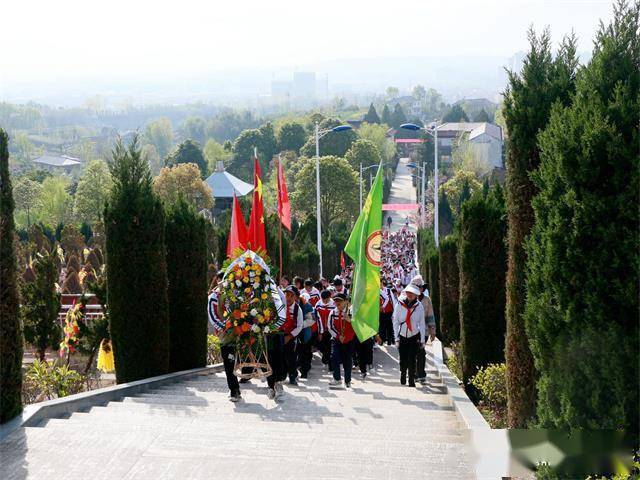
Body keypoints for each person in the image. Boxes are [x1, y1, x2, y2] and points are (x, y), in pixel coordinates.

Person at [208, 270, 241, 402]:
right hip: (224, 336)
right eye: (221, 280)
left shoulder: (233, 295)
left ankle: (236, 388)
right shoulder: (214, 297)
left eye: (226, 280)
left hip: (237, 334)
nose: (224, 283)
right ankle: (233, 390)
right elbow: (212, 316)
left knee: (234, 362)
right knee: (228, 362)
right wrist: (224, 327)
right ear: (217, 281)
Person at [393, 284, 425, 387]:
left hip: (414, 336)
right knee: (403, 358)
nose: (410, 295)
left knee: (412, 358)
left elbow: (422, 323)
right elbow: (396, 321)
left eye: (413, 293)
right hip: (402, 335)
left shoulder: (419, 306)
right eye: (408, 293)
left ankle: (411, 380)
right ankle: (403, 374)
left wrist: (423, 340)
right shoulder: (400, 304)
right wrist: (396, 338)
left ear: (416, 295)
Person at [327, 293, 356, 389]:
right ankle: (337, 379)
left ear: (346, 302)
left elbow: (358, 326)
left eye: (340, 301)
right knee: (334, 357)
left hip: (349, 340)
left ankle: (347, 380)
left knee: (347, 360)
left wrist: (351, 321)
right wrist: (338, 336)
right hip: (337, 340)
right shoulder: (333, 312)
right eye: (335, 301)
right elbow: (330, 326)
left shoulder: (351, 311)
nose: (337, 303)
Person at [282, 286, 303, 386]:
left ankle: (292, 376)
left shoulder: (297, 309)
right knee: (280, 357)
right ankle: (281, 375)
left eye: (291, 295)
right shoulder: (280, 306)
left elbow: (299, 326)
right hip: (280, 334)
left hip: (291, 336)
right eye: (287, 295)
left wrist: (289, 336)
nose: (288, 298)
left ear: (295, 297)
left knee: (291, 358)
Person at [314, 289, 335, 369]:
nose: (325, 302)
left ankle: (330, 366)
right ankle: (325, 359)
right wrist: (320, 332)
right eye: (323, 300)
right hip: (321, 329)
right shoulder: (318, 304)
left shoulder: (334, 304)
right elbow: (317, 319)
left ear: (330, 297)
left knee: (329, 347)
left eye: (327, 300)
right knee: (321, 346)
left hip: (331, 330)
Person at [379, 280, 396, 345]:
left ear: (383, 283)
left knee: (389, 326)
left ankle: (390, 340)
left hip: (389, 311)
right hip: (381, 312)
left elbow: (393, 301)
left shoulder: (388, 290)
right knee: (382, 327)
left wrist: (394, 312)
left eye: (380, 284)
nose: (380, 285)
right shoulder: (377, 291)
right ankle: (381, 341)